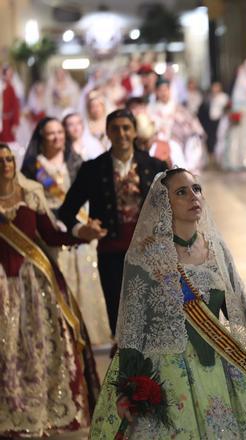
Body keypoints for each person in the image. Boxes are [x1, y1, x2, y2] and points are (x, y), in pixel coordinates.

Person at [90, 168, 246, 438]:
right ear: (164, 203)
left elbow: (241, 309)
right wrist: (129, 390)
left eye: (196, 189)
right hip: (166, 374)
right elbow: (132, 331)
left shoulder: (216, 249)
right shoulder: (144, 257)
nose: (193, 196)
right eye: (181, 192)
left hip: (218, 366)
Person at [0, 143, 100, 437]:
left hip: (36, 282)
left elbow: (50, 235)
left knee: (39, 346)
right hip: (3, 283)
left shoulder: (30, 195)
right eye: (0, 160)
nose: (6, 164)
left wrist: (83, 236)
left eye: (8, 159)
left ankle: (44, 408)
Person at [58, 109, 167, 337]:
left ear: (135, 131)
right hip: (112, 254)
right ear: (107, 132)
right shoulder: (93, 169)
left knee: (155, 317)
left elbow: (172, 208)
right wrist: (82, 229)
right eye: (115, 128)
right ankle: (128, 370)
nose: (121, 134)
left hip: (152, 253)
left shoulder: (155, 166)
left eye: (126, 128)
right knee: (120, 320)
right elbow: (66, 212)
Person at [21, 117, 111, 346]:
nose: (57, 137)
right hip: (49, 227)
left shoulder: (75, 160)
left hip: (74, 224)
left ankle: (91, 332)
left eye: (60, 132)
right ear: (41, 136)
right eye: (51, 133)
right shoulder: (33, 166)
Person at [0, 66, 21, 143]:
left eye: (11, 74)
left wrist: (15, 123)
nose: (9, 76)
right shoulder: (1, 86)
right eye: (7, 74)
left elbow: (16, 107)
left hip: (8, 122)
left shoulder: (13, 88)